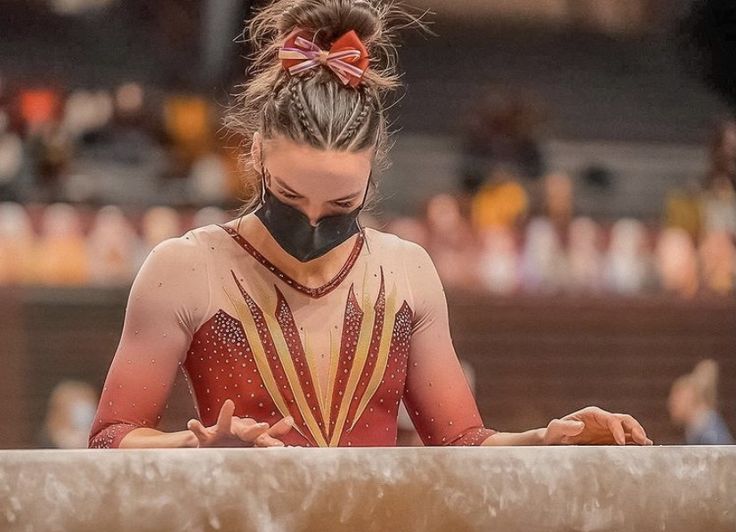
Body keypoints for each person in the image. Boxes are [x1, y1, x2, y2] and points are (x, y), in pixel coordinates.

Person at [89, 0, 651, 449]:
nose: (311, 220)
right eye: (288, 196)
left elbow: (462, 441)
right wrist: (190, 453)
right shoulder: (187, 270)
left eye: (339, 204)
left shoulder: (405, 273)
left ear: (373, 168)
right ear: (257, 154)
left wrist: (544, 440)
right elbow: (110, 438)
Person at [668, 360, 734, 445]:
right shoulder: (696, 430)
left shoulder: (710, 434)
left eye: (676, 400)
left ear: (689, 398)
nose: (671, 405)